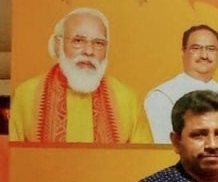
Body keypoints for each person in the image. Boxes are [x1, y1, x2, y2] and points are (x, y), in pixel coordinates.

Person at [11, 8, 151, 143]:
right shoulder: (26, 95)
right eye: (78, 41)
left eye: (98, 43)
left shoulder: (128, 100)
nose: (89, 51)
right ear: (58, 45)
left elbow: (142, 158)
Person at [145, 25, 218, 144]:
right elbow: (164, 147)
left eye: (211, 49)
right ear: (183, 52)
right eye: (196, 48)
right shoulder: (162, 96)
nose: (204, 55)